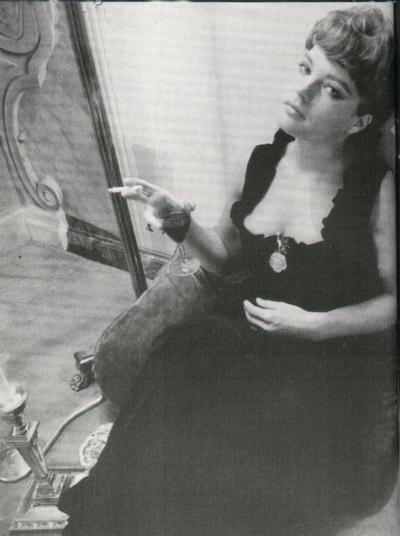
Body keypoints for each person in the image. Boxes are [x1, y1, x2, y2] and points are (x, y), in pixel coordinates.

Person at [60, 6, 397, 536]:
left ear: (360, 120)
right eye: (305, 68)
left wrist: (314, 325)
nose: (303, 92)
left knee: (210, 406)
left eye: (332, 90)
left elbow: (394, 302)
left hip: (321, 364)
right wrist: (178, 222)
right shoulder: (260, 161)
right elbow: (223, 257)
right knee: (184, 351)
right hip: (243, 338)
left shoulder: (376, 190)